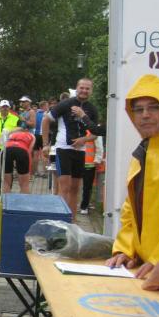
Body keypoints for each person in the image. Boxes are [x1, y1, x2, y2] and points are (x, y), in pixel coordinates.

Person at [104, 76, 159, 283]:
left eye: (154, 107)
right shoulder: (145, 150)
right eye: (138, 109)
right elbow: (131, 209)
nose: (145, 115)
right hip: (145, 269)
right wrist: (125, 249)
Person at [42, 79, 100, 216]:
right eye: (82, 88)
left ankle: (72, 221)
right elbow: (46, 120)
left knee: (75, 189)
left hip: (80, 151)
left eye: (87, 88)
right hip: (63, 149)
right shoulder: (66, 104)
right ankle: (61, 220)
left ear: (91, 91)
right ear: (77, 88)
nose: (84, 91)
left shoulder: (92, 109)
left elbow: (95, 133)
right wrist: (45, 145)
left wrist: (83, 139)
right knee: (65, 187)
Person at [0, 100, 19, 194]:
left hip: (10, 146)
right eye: (3, 107)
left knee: (8, 167)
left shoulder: (15, 118)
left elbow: (20, 130)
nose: (5, 108)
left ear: (9, 108)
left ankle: (8, 187)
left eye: (6, 107)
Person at [2, 128, 35, 193]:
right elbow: (29, 152)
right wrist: (29, 172)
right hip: (22, 150)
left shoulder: (11, 134)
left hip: (6, 150)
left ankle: (6, 199)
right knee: (24, 184)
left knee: (6, 183)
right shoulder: (31, 135)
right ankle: (23, 199)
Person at [78, 133, 103, 215]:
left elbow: (99, 146)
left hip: (89, 163)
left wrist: (97, 159)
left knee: (87, 186)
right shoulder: (77, 129)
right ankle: (80, 205)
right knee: (80, 185)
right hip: (78, 162)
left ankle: (84, 206)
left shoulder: (93, 131)